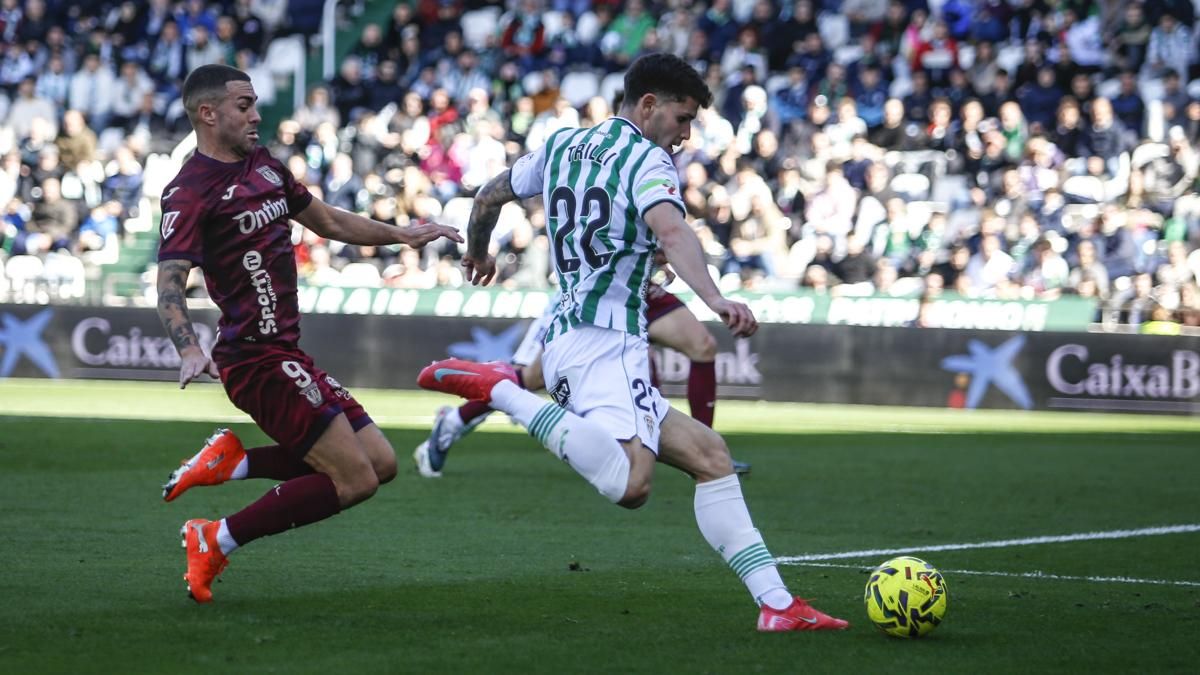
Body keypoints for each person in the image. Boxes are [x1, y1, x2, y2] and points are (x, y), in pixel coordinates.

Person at [417, 53, 848, 632]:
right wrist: (714, 299)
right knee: (633, 483)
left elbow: (489, 196)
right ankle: (505, 392)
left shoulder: (563, 145)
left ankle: (777, 605)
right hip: (606, 342)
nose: (686, 134)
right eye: (683, 117)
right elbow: (672, 230)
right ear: (648, 105)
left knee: (710, 456)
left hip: (569, 332)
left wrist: (477, 250)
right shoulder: (648, 160)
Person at [155, 64, 461, 603]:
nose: (256, 115)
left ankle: (236, 462)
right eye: (244, 105)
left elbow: (331, 222)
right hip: (254, 359)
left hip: (286, 351)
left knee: (381, 464)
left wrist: (403, 235)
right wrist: (188, 347)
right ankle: (216, 537)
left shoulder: (266, 167)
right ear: (208, 113)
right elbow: (170, 281)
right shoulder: (188, 192)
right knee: (355, 480)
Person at [413, 283, 753, 477]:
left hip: (640, 291)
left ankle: (704, 444)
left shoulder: (653, 172)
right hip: (588, 295)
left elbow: (670, 237)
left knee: (703, 345)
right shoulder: (595, 169)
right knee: (528, 378)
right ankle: (452, 423)